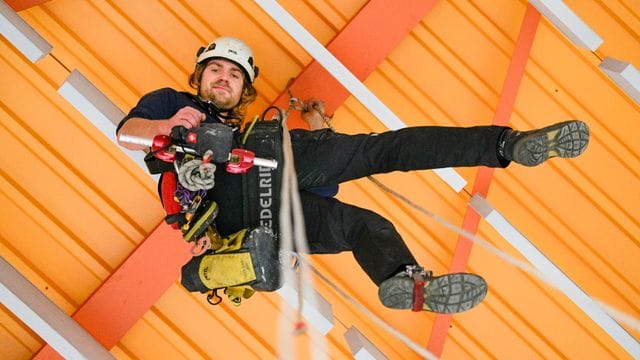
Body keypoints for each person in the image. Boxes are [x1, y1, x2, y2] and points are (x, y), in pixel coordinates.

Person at [117, 36, 589, 313]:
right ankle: (502, 144)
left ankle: (408, 282)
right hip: (226, 196)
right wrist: (167, 127)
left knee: (365, 222)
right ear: (199, 76)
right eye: (215, 69)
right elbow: (127, 134)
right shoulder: (171, 105)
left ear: (244, 89)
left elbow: (320, 174)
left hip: (267, 204)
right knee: (376, 150)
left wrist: (320, 129)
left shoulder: (243, 129)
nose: (222, 78)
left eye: (234, 75)